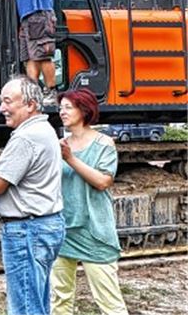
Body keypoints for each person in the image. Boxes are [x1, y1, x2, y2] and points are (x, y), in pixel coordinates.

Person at [0, 76, 64, 315]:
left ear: (30, 104)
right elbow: (10, 176)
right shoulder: (43, 129)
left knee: (26, 307)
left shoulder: (25, 137)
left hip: (27, 230)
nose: (2, 108)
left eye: (8, 101)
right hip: (43, 225)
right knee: (37, 301)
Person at [50, 89, 128, 315]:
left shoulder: (104, 143)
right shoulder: (60, 144)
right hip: (64, 229)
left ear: (84, 110)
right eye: (61, 107)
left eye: (68, 107)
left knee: (109, 301)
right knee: (60, 299)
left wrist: (70, 159)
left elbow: (103, 181)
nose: (62, 112)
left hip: (94, 230)